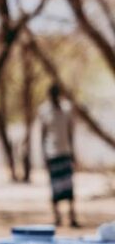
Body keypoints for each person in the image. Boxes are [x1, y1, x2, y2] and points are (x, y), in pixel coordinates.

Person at [39, 84, 79, 227]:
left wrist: (73, 153)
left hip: (65, 152)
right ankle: (57, 217)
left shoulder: (67, 109)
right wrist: (43, 155)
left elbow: (70, 132)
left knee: (69, 187)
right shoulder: (44, 110)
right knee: (54, 187)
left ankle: (72, 216)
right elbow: (42, 135)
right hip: (52, 153)